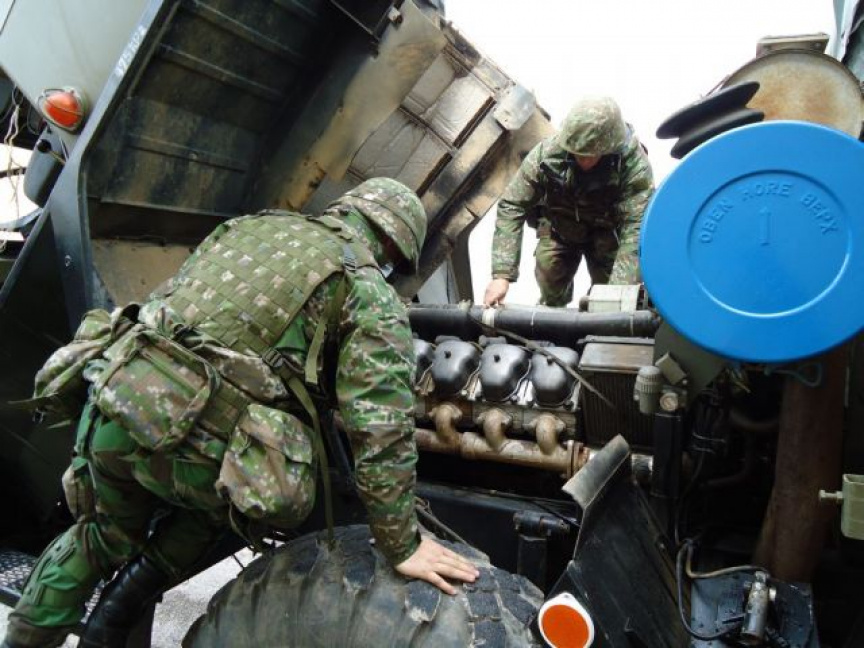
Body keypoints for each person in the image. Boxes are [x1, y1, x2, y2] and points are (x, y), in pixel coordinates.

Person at [3, 178, 478, 648]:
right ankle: (119, 609)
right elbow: (380, 430)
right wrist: (401, 543)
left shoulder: (251, 226)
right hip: (188, 444)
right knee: (229, 508)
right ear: (393, 246)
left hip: (113, 401)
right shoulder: (368, 290)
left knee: (97, 536)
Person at [483, 96, 655, 308]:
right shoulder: (547, 155)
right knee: (550, 281)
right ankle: (552, 314)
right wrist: (501, 275)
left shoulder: (633, 166)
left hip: (608, 234)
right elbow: (512, 204)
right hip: (561, 228)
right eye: (577, 154)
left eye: (590, 155)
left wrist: (618, 293)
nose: (583, 161)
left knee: (611, 299)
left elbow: (636, 228)